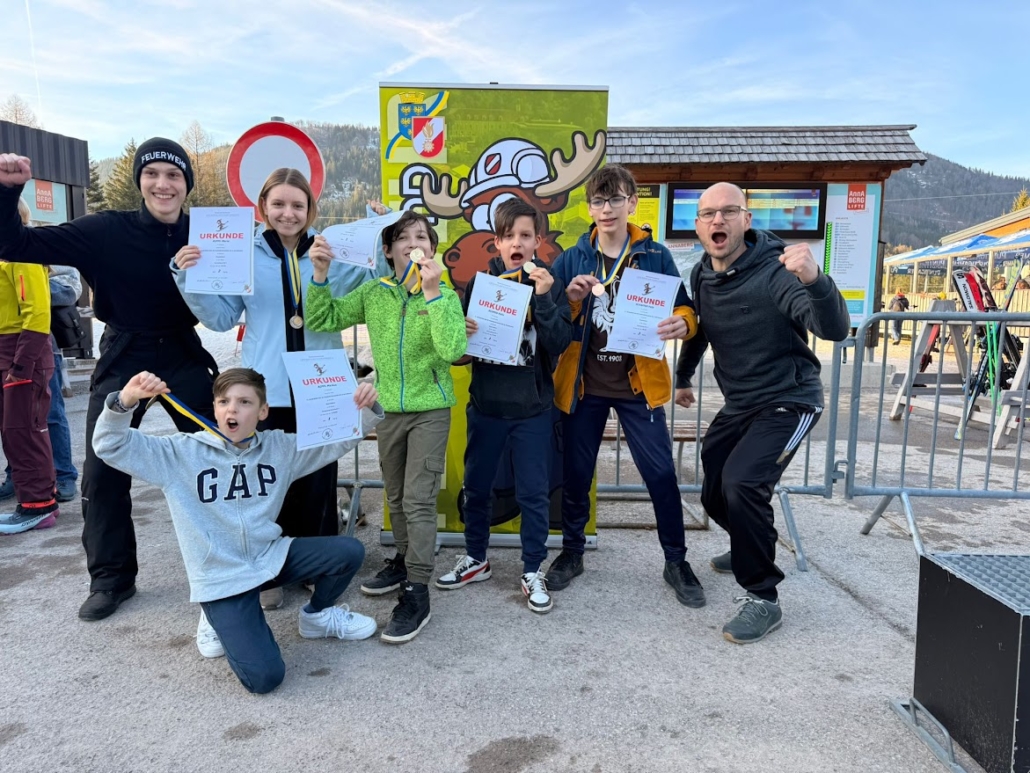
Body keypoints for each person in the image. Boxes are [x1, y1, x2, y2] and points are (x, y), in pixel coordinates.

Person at [0, 140, 219, 621]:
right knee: (102, 470)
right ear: (140, 180)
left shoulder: (208, 233)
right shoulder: (104, 230)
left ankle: (232, 563)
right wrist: (7, 192)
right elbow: (15, 245)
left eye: (174, 175)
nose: (163, 184)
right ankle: (111, 579)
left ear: (187, 184)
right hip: (125, 354)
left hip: (183, 352)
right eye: (152, 173)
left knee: (220, 453)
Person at [172, 168, 389, 612]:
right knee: (267, 480)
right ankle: (267, 570)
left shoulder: (329, 251)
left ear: (311, 209)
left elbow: (371, 282)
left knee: (318, 479)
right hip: (265, 386)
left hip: (321, 384)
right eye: (279, 204)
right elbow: (220, 318)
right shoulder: (242, 253)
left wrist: (380, 232)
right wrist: (186, 275)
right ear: (262, 208)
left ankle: (314, 566)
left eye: (298, 205)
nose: (288, 213)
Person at [92, 368, 382, 693]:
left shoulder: (280, 448)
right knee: (265, 678)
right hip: (222, 577)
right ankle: (215, 615)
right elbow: (110, 446)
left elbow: (331, 443)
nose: (232, 409)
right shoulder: (179, 453)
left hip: (268, 557)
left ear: (262, 411)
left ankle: (316, 616)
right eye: (224, 402)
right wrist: (124, 402)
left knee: (349, 552)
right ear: (215, 409)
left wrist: (365, 408)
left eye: (244, 402)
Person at [674, 182, 850, 644]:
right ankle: (749, 544)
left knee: (742, 483)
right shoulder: (702, 274)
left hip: (790, 399)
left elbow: (833, 328)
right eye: (708, 213)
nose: (718, 220)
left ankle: (762, 597)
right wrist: (683, 376)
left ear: (746, 220)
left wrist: (815, 280)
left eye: (729, 211)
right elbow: (701, 331)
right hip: (741, 403)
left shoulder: (776, 271)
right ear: (698, 226)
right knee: (714, 489)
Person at [307, 210, 467, 644]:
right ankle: (402, 560)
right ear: (389, 249)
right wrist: (319, 274)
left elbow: (452, 349)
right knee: (394, 497)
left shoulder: (443, 295)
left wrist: (432, 294)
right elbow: (323, 318)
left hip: (431, 410)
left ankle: (417, 589)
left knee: (418, 500)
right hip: (389, 411)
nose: (414, 243)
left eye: (423, 237)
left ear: (432, 249)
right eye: (404, 237)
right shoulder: (375, 292)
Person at [546, 164, 703, 607]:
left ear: (632, 202)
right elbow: (551, 318)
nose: (607, 208)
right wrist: (570, 300)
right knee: (577, 475)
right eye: (599, 200)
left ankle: (676, 560)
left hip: (638, 386)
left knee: (660, 474)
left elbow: (685, 308)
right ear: (589, 208)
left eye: (616, 199)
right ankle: (572, 552)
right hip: (585, 386)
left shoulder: (654, 255)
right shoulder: (573, 257)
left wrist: (684, 323)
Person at [435, 199, 572, 613]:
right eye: (509, 236)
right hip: (486, 407)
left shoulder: (549, 283)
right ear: (496, 242)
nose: (517, 243)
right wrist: (462, 333)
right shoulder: (479, 286)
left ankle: (533, 568)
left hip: (532, 412)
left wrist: (544, 300)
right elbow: (459, 354)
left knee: (533, 494)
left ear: (538, 241)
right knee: (477, 488)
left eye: (525, 235)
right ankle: (476, 558)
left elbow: (559, 343)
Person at [0, 199, 58, 534]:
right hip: (8, 353)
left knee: (26, 431)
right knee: (13, 433)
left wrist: (21, 365)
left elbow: (37, 313)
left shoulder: (22, 254)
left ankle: (39, 505)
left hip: (23, 354)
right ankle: (30, 502)